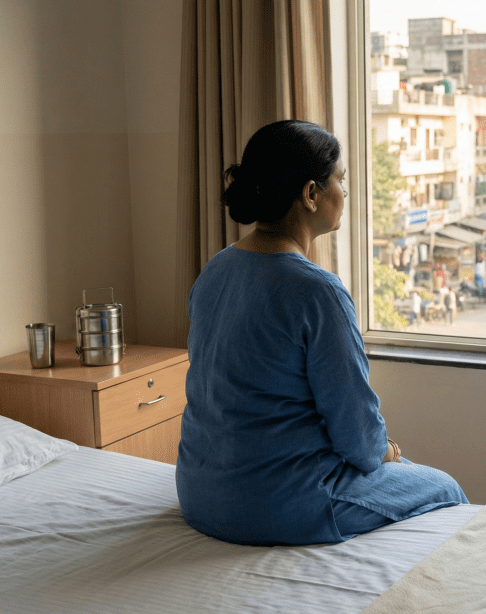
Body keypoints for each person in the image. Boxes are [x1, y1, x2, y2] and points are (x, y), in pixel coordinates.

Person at [176, 120, 467, 547]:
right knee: (446, 489)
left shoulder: (215, 270)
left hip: (199, 493)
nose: (344, 194)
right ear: (311, 194)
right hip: (275, 504)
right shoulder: (317, 291)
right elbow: (357, 434)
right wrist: (385, 452)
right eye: (340, 181)